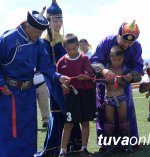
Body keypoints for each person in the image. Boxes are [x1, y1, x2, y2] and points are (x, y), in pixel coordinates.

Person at [0, 7, 70, 157]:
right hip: (9, 93)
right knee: (10, 129)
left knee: (28, 128)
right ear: (28, 26)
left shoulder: (37, 43)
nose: (39, 36)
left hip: (28, 92)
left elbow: (45, 66)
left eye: (40, 33)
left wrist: (58, 77)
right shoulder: (8, 38)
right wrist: (1, 83)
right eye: (37, 32)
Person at [35, 1, 82, 156]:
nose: (59, 23)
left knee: (68, 110)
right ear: (48, 20)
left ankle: (71, 145)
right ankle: (55, 147)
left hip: (68, 79)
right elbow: (46, 66)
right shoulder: (45, 40)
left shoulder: (62, 38)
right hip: (55, 81)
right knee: (60, 111)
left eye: (60, 20)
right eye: (55, 20)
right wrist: (58, 78)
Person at [90, 20, 143, 151]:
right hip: (104, 86)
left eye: (131, 42)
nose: (127, 45)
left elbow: (139, 66)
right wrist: (103, 70)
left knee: (127, 114)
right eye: (124, 41)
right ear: (118, 35)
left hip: (123, 86)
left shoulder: (136, 46)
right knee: (104, 115)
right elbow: (95, 61)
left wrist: (132, 74)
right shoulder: (106, 42)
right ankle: (106, 144)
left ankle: (130, 142)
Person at [57, 33, 96, 157]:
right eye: (69, 49)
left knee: (85, 122)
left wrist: (85, 77)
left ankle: (84, 148)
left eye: (74, 48)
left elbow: (91, 76)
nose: (72, 51)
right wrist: (63, 85)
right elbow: (59, 81)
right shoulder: (61, 62)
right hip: (71, 97)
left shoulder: (84, 58)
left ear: (78, 46)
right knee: (68, 123)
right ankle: (62, 150)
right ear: (65, 48)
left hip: (85, 94)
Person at [102, 46, 134, 154]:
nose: (116, 62)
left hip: (121, 97)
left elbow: (127, 82)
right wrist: (104, 76)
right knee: (109, 124)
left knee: (124, 122)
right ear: (110, 58)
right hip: (108, 98)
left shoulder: (125, 69)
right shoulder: (105, 69)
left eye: (119, 59)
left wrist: (125, 79)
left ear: (123, 59)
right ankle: (110, 147)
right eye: (114, 59)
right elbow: (98, 79)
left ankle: (127, 145)